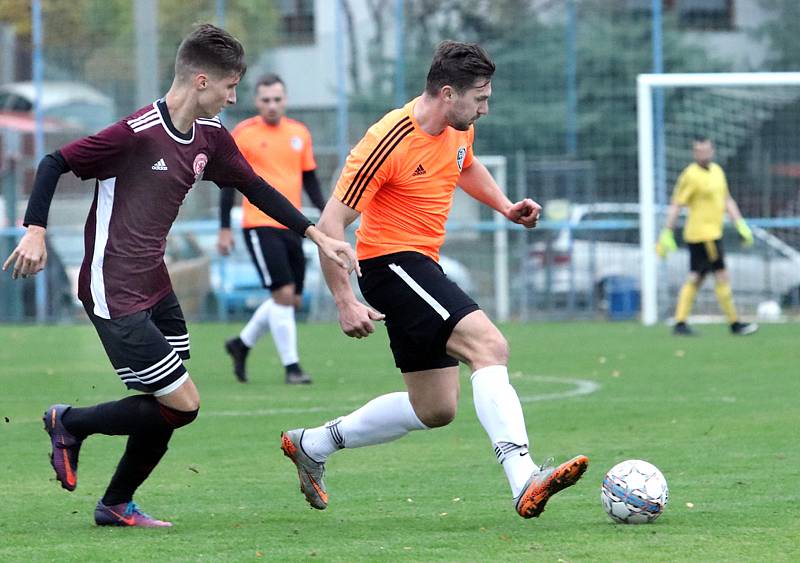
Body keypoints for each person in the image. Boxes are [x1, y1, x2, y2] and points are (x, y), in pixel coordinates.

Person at [2, 24, 356, 528]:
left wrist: (315, 233)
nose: (236, 97)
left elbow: (255, 187)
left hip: (155, 284)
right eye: (231, 86)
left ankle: (116, 504)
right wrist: (35, 229)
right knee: (183, 404)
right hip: (113, 286)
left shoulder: (211, 136)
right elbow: (54, 160)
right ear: (201, 81)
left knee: (167, 403)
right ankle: (69, 422)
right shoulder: (134, 134)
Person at [279, 40, 589, 519]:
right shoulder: (388, 140)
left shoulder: (457, 128)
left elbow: (465, 166)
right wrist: (343, 299)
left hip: (420, 265)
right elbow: (330, 226)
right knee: (489, 346)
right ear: (448, 93)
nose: (485, 109)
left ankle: (313, 444)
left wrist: (505, 206)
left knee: (436, 408)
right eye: (480, 99)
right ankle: (523, 474)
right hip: (391, 264)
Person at [218, 73, 326, 385]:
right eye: (266, 100)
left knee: (290, 300)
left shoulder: (299, 133)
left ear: (285, 100)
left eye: (277, 99)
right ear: (256, 101)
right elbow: (228, 184)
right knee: (282, 294)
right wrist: (225, 228)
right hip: (259, 224)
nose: (272, 105)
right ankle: (292, 368)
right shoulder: (244, 133)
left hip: (294, 225)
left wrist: (327, 215)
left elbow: (310, 180)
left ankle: (241, 344)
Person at [657, 136, 758, 336]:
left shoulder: (718, 172)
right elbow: (677, 203)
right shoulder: (690, 175)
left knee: (697, 277)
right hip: (703, 235)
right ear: (694, 153)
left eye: (706, 150)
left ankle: (680, 322)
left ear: (712, 151)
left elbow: (727, 199)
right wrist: (667, 231)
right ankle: (734, 323)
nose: (702, 154)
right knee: (721, 275)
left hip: (712, 234)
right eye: (698, 151)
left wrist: (740, 224)